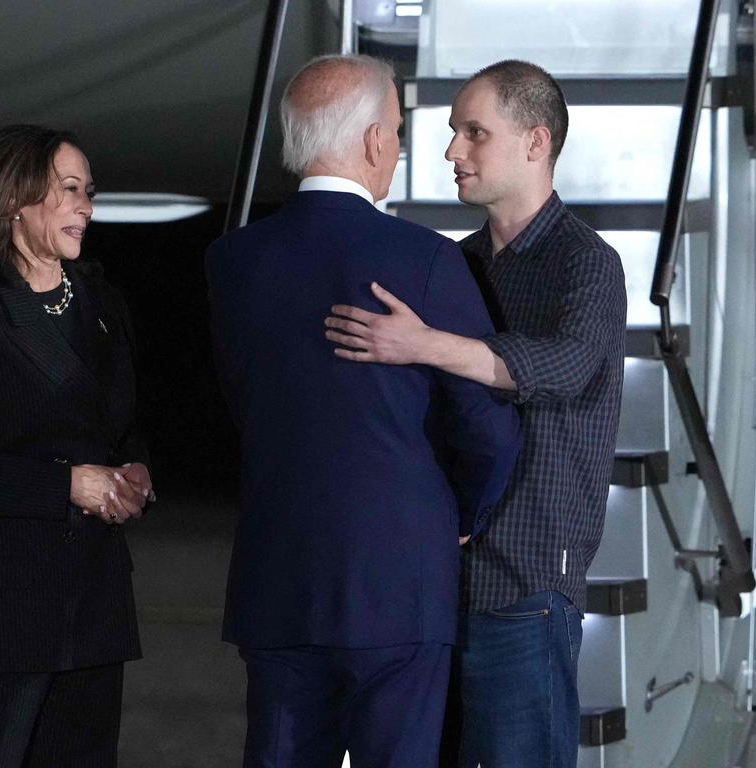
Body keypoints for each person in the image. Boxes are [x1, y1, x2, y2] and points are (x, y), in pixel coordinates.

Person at [206, 55, 520, 768]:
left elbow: (244, 403)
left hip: (279, 572)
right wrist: (458, 517)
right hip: (399, 576)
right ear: (375, 141)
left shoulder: (232, 262)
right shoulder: (429, 260)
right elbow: (486, 427)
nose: (401, 149)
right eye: (400, 133)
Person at [325, 59, 627, 768]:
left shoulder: (587, 265)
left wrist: (424, 344)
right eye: (454, 131)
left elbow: (561, 366)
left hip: (526, 587)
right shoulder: (457, 264)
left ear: (535, 142)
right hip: (434, 584)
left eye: (474, 132)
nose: (451, 150)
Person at [0, 124, 154, 767]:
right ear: (16, 200)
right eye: (70, 190)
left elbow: (123, 430)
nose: (87, 208)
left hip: (92, 605)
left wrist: (136, 473)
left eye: (89, 193)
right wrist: (66, 484)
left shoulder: (103, 305)